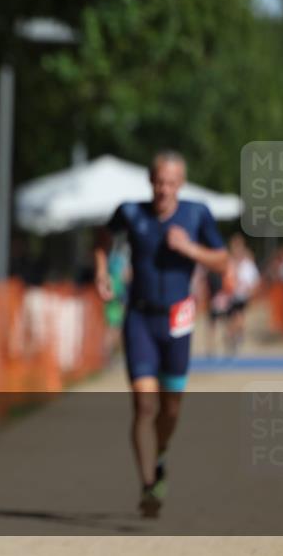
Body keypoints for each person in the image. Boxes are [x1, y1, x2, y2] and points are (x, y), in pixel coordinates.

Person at [93, 150, 228, 517]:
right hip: (139, 319)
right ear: (150, 181)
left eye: (171, 182)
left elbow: (223, 259)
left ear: (180, 184)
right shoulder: (131, 212)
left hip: (177, 322)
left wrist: (189, 248)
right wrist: (102, 269)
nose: (164, 189)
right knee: (144, 405)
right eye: (158, 181)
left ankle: (162, 452)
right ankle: (148, 483)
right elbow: (103, 237)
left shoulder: (196, 214)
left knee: (170, 409)